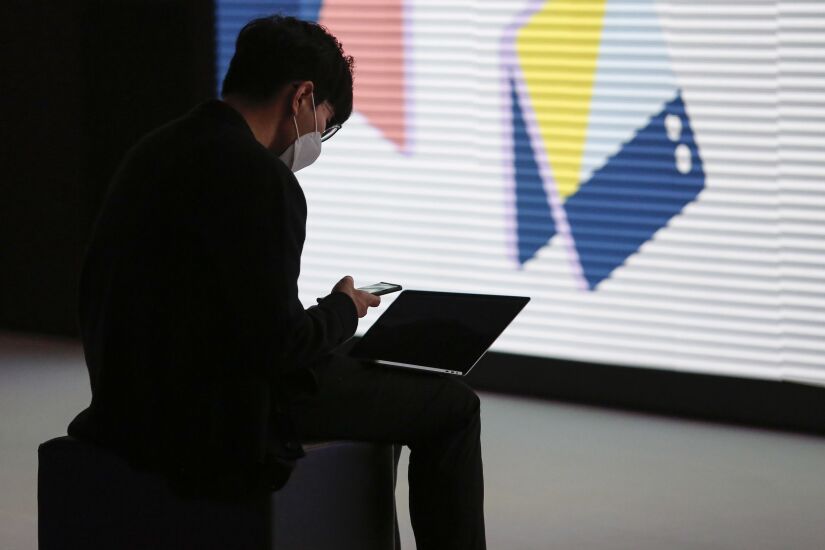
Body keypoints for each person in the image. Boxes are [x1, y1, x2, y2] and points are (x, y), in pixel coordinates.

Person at [68, 15, 485, 549]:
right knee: (452, 404)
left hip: (124, 404)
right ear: (302, 97)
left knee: (356, 364)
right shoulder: (263, 179)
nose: (318, 139)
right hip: (221, 418)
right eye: (325, 123)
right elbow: (278, 346)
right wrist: (341, 307)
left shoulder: (152, 150)